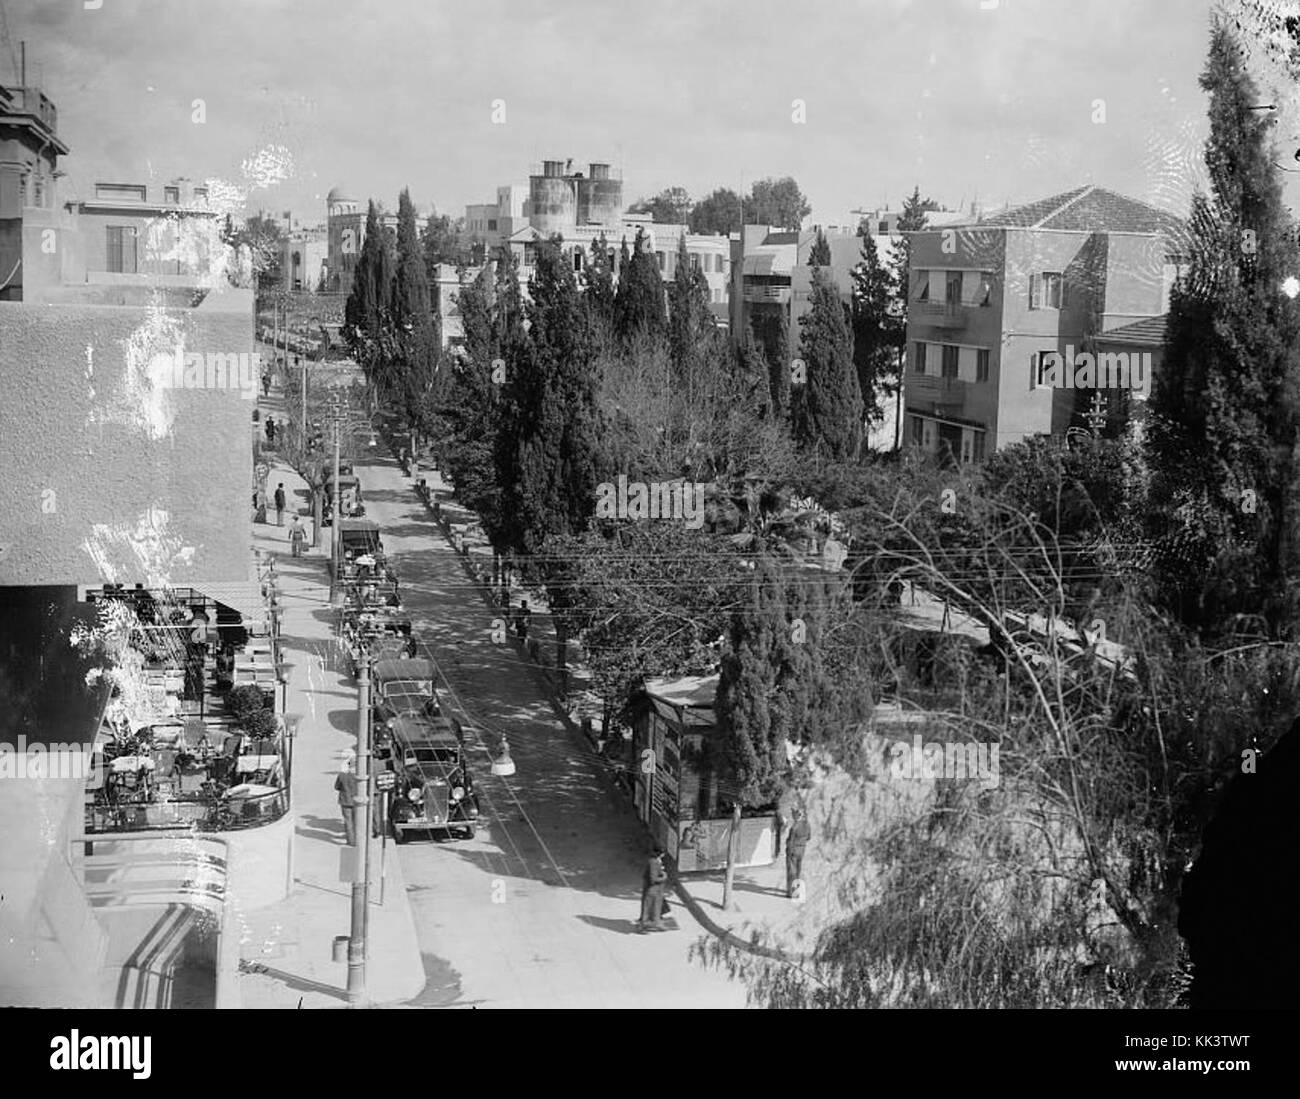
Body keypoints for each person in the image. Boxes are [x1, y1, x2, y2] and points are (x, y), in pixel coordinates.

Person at [637, 845, 668, 932]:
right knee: (649, 906)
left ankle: (654, 922)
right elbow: (653, 879)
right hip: (653, 889)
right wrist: (664, 877)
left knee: (655, 906)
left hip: (656, 890)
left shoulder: (656, 860)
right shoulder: (653, 863)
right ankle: (645, 925)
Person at [334, 755, 360, 846]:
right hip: (356, 801)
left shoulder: (342, 775)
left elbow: (336, 787)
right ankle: (357, 838)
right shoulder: (358, 776)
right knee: (356, 821)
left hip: (345, 801)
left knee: (348, 821)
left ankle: (350, 840)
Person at [786, 807, 811, 899]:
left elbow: (790, 841)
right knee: (798, 870)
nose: (792, 816)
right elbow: (809, 837)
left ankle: (792, 893)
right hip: (802, 849)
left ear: (796, 815)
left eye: (793, 814)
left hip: (794, 849)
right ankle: (798, 890)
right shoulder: (807, 824)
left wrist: (788, 849)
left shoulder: (794, 827)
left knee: (792, 871)